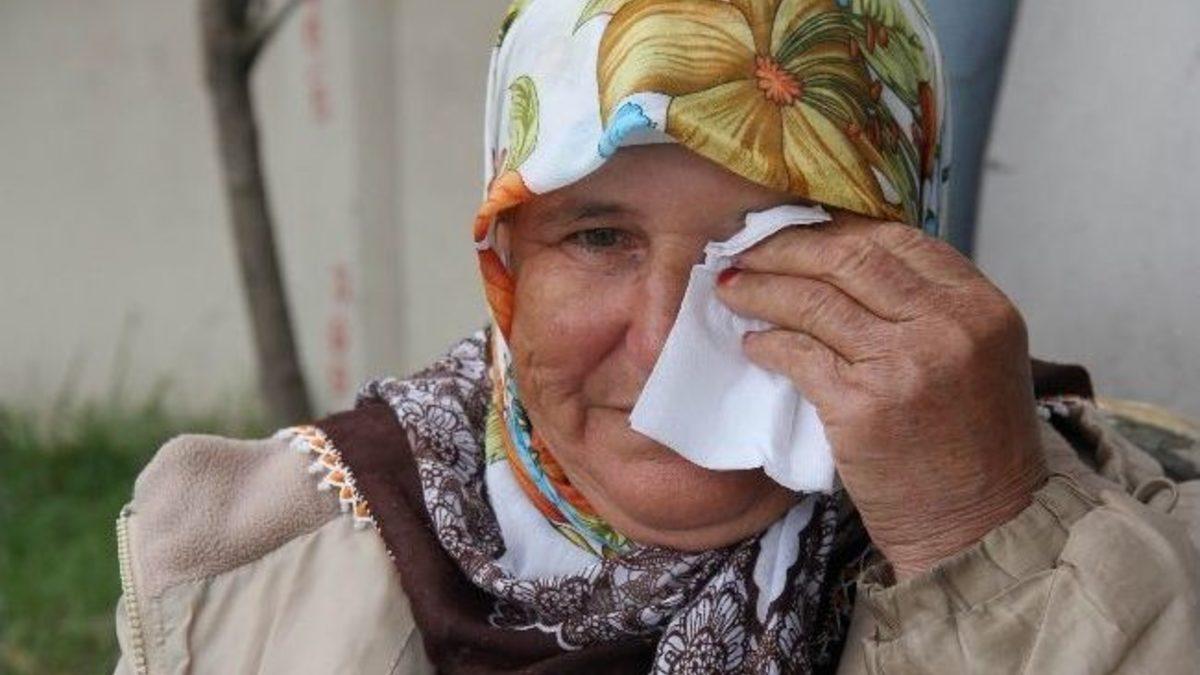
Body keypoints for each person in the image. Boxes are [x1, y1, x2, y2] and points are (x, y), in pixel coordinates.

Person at [112, 1, 1200, 673]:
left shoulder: (1123, 550)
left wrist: (987, 542)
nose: (667, 341)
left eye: (774, 245)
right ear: (507, 264)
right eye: (599, 237)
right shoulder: (260, 569)